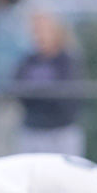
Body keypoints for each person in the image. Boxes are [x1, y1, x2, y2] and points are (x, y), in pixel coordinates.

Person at [12, 10, 85, 158]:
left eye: (44, 31)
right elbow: (17, 90)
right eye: (36, 31)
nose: (39, 36)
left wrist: (36, 93)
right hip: (32, 130)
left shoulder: (67, 61)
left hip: (61, 132)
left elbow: (66, 96)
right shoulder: (28, 61)